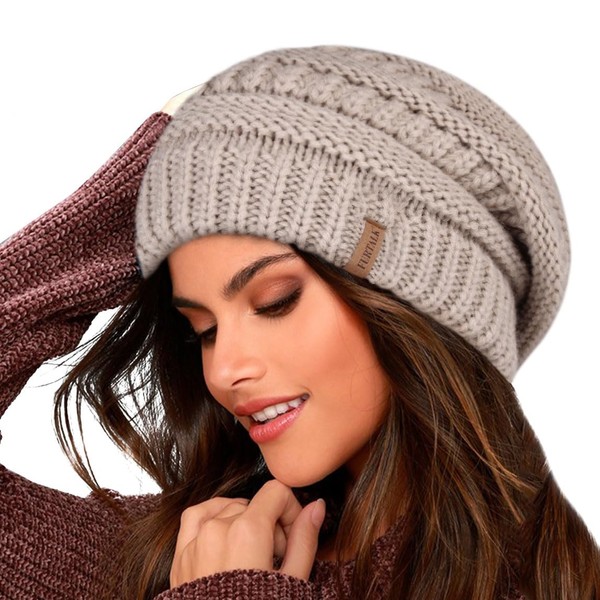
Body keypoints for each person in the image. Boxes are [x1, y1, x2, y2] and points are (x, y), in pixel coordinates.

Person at [0, 45, 598, 600]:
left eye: (276, 302)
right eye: (204, 331)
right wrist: (136, 196)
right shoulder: (188, 551)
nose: (225, 371)